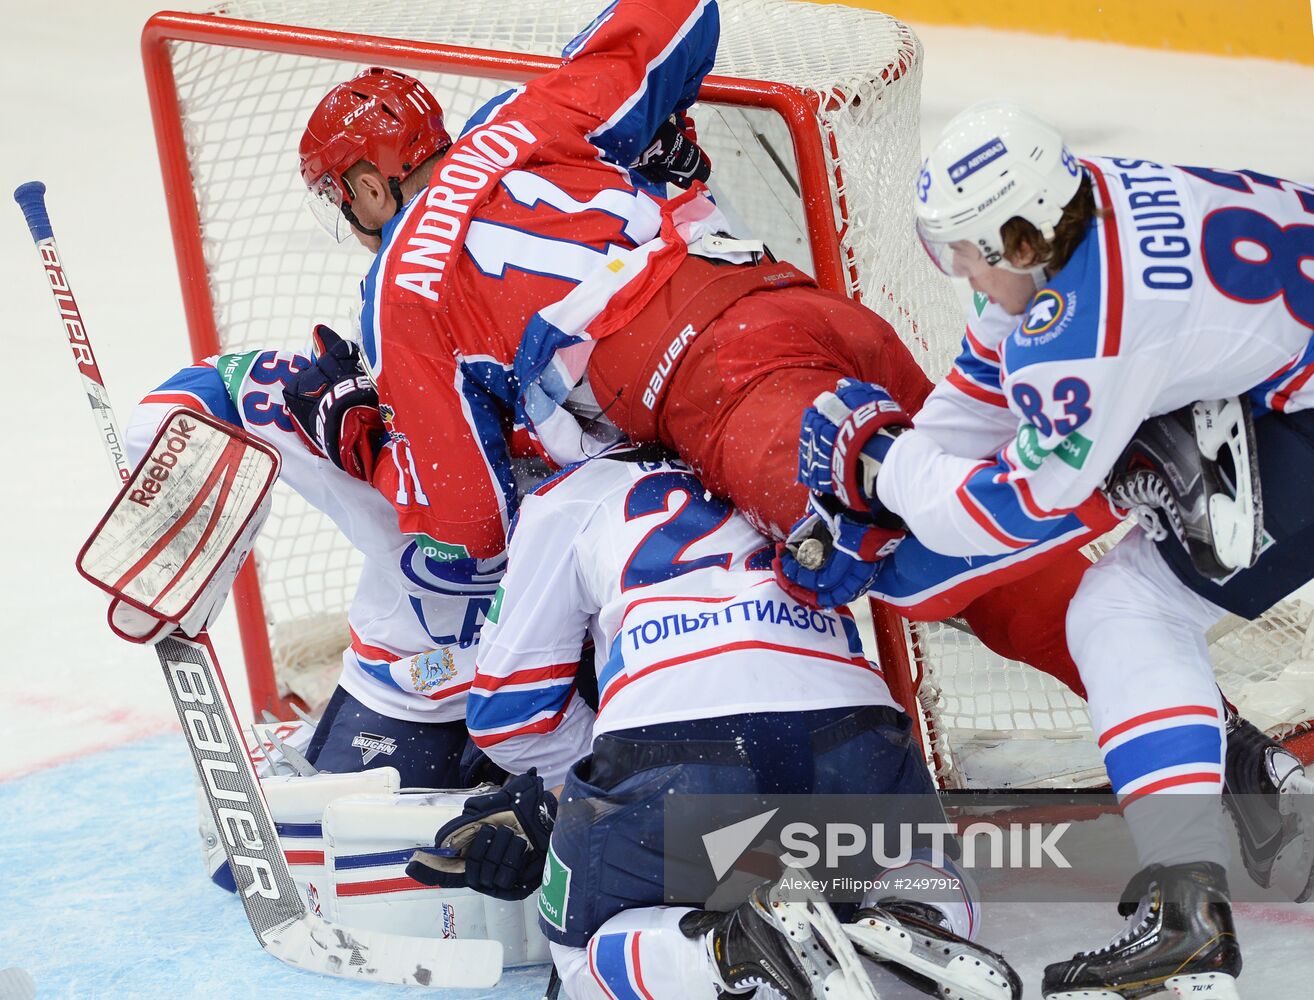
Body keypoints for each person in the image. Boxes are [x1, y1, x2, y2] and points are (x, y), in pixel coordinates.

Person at [291, 1, 1108, 701]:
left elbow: (471, 525)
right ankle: (1200, 703)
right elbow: (677, 16)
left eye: (340, 195)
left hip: (728, 391)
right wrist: (643, 138)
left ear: (368, 184)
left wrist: (365, 444)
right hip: (810, 313)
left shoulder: (400, 291)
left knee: (921, 554)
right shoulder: (526, 119)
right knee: (1002, 503)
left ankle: (1144, 495)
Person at [789, 100, 1314, 998]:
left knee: (1123, 608)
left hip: (1293, 413)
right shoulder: (1080, 216)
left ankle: (1188, 915)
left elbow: (1007, 513)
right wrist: (894, 488)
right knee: (1133, 532)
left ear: (1017, 240)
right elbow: (986, 394)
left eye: (963, 248)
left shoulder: (1085, 330)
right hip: (1283, 384)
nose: (954, 268)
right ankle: (1227, 855)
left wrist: (885, 468)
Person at [408, 444, 1021, 1000]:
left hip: (674, 750)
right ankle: (909, 914)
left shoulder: (568, 494)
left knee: (578, 954)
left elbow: (507, 714)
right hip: (850, 734)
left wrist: (581, 798)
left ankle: (732, 948)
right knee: (928, 865)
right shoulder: (789, 449)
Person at [126, 327, 524, 788]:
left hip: (560, 689)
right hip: (405, 688)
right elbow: (190, 399)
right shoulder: (343, 418)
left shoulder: (582, 431)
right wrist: (178, 490)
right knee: (323, 839)